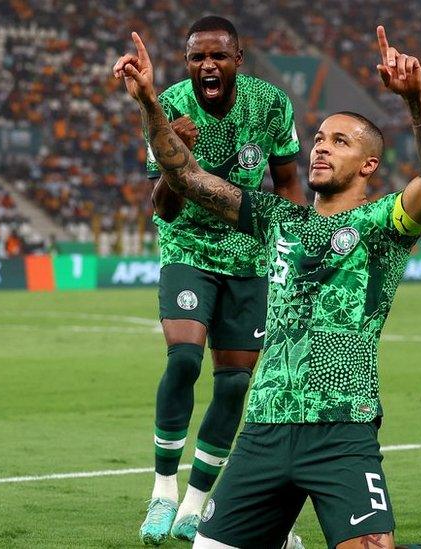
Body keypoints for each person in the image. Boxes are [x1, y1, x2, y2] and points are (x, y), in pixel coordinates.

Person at [115, 26, 421, 549]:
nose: (321, 147)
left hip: (341, 427)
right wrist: (148, 104)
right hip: (264, 429)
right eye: (318, 138)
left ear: (368, 165)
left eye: (339, 141)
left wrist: (416, 100)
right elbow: (184, 177)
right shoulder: (277, 219)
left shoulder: (384, 225)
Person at [122, 15, 305, 545]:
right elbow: (164, 207)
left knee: (234, 383)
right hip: (190, 249)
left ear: (237, 61)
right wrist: (174, 155)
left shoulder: (270, 104)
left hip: (251, 258)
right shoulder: (167, 106)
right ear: (187, 64)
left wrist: (292, 252)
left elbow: (289, 182)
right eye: (198, 57)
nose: (208, 65)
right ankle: (162, 492)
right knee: (183, 359)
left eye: (218, 56)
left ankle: (197, 504)